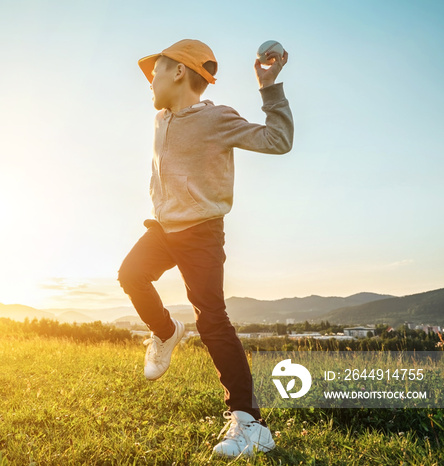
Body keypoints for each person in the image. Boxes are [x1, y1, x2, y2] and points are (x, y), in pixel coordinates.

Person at [117, 39, 293, 457]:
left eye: (155, 72)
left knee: (212, 320)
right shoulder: (161, 119)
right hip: (164, 229)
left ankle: (251, 424)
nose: (150, 83)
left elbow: (278, 139)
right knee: (131, 275)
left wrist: (269, 86)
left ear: (179, 71)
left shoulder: (217, 118)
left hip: (201, 233)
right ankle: (166, 332)